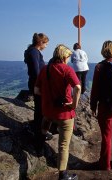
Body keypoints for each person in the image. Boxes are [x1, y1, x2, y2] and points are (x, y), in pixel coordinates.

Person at [34, 44, 81, 180]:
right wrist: (73, 104)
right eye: (68, 57)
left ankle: (39, 144)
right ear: (64, 56)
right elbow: (77, 87)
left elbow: (36, 90)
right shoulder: (67, 69)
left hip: (48, 110)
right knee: (63, 145)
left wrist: (48, 96)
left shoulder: (45, 69)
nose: (68, 59)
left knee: (45, 122)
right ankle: (63, 175)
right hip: (64, 113)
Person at [90, 40, 112, 170]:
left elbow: (95, 89)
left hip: (105, 106)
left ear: (103, 50)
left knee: (106, 135)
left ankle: (105, 164)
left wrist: (93, 106)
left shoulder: (100, 67)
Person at [24, 33, 52, 154]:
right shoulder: (34, 52)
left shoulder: (32, 51)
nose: (46, 46)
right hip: (37, 84)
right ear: (40, 42)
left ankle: (39, 132)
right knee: (40, 110)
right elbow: (36, 71)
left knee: (39, 109)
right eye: (46, 43)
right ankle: (39, 134)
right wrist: (40, 84)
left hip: (35, 83)